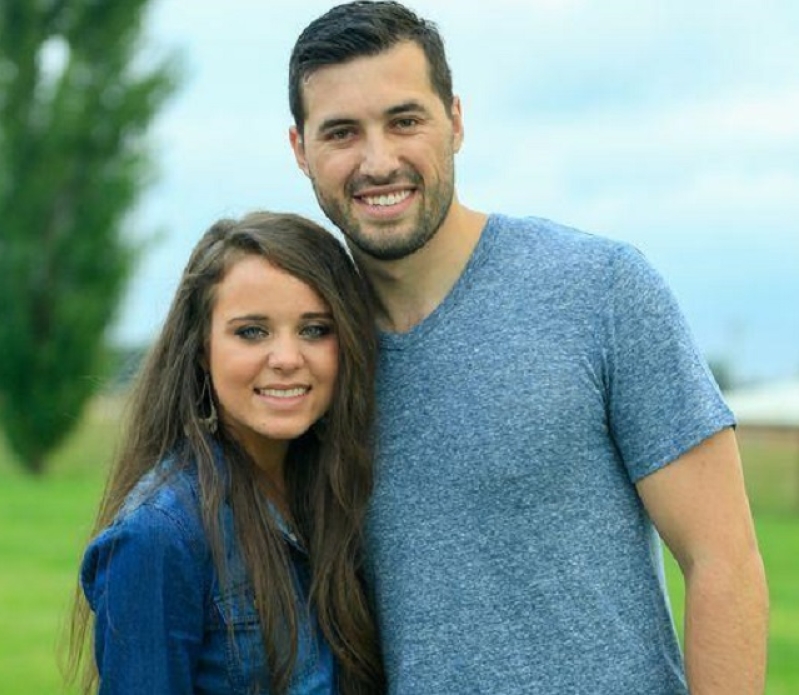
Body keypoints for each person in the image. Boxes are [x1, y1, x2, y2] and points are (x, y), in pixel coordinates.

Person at [286, 2, 769, 694]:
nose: (378, 160)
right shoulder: (310, 359)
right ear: (300, 150)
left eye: (404, 120)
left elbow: (721, 558)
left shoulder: (599, 289)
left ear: (455, 119)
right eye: (340, 132)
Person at [65, 211, 385, 695]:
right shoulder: (160, 537)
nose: (286, 358)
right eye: (252, 332)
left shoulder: (342, 496)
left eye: (315, 329)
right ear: (201, 350)